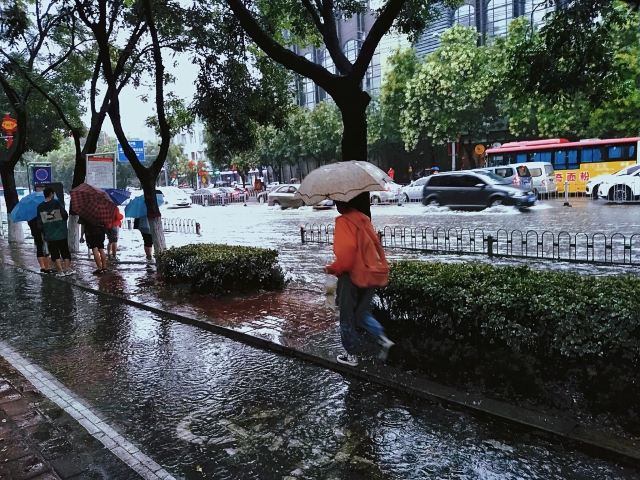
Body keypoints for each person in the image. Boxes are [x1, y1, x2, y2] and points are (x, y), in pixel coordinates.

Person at [324, 200, 394, 367]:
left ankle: (352, 355)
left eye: (337, 202)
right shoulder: (363, 218)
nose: (336, 205)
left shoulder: (343, 221)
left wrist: (333, 268)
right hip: (371, 273)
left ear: (341, 204)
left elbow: (347, 252)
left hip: (351, 276)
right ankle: (382, 338)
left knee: (346, 316)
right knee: (362, 313)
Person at [37, 187, 75, 277]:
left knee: (55, 253)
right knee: (65, 251)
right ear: (51, 194)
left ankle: (60, 271)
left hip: (50, 234)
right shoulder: (56, 203)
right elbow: (65, 215)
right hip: (61, 232)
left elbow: (39, 223)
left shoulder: (40, 207)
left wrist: (44, 232)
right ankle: (67, 269)